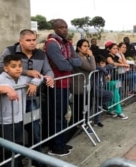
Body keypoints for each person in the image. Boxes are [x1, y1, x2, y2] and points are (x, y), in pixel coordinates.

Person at [0, 29, 54, 165]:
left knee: (35, 130)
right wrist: (27, 72)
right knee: (13, 134)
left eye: (34, 40)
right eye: (28, 40)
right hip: (12, 100)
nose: (32, 43)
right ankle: (13, 161)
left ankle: (37, 160)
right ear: (20, 40)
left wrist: (50, 77)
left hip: (31, 99)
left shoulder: (41, 54)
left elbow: (47, 70)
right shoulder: (10, 51)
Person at [0, 54, 43, 167]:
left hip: (19, 119)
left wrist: (34, 83)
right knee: (7, 149)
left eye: (20, 65)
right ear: (5, 68)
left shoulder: (23, 78)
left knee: (18, 144)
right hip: (4, 121)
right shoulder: (0, 79)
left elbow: (40, 77)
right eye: (13, 66)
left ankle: (17, 163)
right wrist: (6, 88)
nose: (18, 68)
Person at [44, 18, 82, 156]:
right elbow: (63, 66)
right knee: (57, 116)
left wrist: (69, 61)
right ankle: (56, 147)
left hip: (65, 83)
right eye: (61, 27)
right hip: (56, 84)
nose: (64, 29)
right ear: (55, 28)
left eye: (66, 26)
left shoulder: (67, 43)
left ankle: (60, 142)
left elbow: (78, 61)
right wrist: (70, 62)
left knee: (62, 115)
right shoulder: (52, 44)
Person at [69, 39, 96, 133]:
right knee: (79, 108)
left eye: (88, 46)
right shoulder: (78, 57)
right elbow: (92, 68)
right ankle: (76, 126)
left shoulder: (85, 57)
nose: (87, 48)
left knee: (87, 106)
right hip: (79, 87)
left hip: (86, 86)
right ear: (78, 48)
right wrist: (92, 56)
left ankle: (84, 123)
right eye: (84, 46)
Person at [106, 43, 128, 119]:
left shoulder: (115, 56)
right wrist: (122, 65)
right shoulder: (108, 56)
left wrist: (121, 54)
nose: (116, 50)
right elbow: (112, 63)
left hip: (116, 78)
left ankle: (110, 110)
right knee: (116, 96)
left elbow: (124, 62)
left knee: (115, 95)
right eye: (114, 48)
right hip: (110, 79)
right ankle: (119, 112)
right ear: (109, 49)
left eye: (116, 49)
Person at [93, 55, 114, 127]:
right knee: (110, 94)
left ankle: (97, 121)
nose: (103, 65)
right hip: (96, 89)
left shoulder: (103, 69)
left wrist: (105, 70)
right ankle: (101, 105)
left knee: (98, 104)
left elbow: (111, 66)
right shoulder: (96, 69)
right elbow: (98, 68)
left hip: (102, 88)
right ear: (97, 63)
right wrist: (106, 72)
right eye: (102, 63)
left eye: (104, 63)